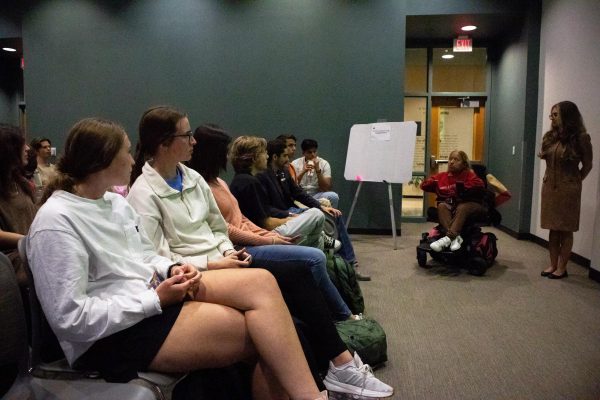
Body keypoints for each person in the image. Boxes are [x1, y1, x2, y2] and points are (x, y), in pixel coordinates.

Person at [27, 117, 328, 400]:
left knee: (262, 283)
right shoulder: (57, 220)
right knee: (265, 335)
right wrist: (155, 300)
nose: (133, 160)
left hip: (146, 301)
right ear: (103, 160)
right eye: (127, 153)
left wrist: (172, 268)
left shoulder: (114, 203)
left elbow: (144, 255)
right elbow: (71, 319)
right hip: (107, 336)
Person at [127, 108, 392, 398]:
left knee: (297, 283)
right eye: (187, 135)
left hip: (226, 258)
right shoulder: (144, 192)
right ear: (164, 143)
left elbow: (219, 227)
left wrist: (231, 251)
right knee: (290, 280)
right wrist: (215, 261)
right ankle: (334, 370)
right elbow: (158, 257)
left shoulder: (193, 178)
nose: (193, 142)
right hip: (196, 272)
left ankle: (340, 364)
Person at [189, 124, 358, 322]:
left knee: (316, 238)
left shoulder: (221, 182)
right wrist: (269, 240)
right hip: (240, 247)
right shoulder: (210, 185)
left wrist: (270, 236)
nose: (268, 156)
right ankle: (343, 315)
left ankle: (331, 307)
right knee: (315, 255)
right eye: (264, 153)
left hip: (256, 238)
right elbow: (227, 228)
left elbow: (243, 219)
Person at [259, 139, 372, 281]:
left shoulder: (284, 172)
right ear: (275, 157)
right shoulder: (262, 177)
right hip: (284, 213)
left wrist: (321, 206)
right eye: (285, 156)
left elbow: (299, 193)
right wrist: (288, 214)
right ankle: (327, 249)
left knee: (335, 215)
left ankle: (350, 264)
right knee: (320, 216)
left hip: (293, 208)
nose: (288, 159)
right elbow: (266, 208)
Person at [228, 136, 339, 251]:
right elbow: (266, 224)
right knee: (317, 215)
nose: (267, 156)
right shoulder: (249, 182)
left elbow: (297, 192)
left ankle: (319, 244)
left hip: (267, 229)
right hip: (265, 236)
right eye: (264, 153)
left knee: (324, 237)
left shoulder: (246, 180)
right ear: (254, 158)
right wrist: (297, 218)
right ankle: (319, 244)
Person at [538, 101, 593, 279]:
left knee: (565, 229)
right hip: (549, 187)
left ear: (567, 116)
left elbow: (588, 165)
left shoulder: (581, 138)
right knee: (553, 229)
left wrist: (575, 181)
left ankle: (562, 267)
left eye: (555, 114)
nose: (552, 118)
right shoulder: (550, 137)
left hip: (568, 190)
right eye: (551, 115)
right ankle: (553, 265)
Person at [420, 150, 487, 252]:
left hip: (473, 205)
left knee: (463, 206)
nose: (451, 162)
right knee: (442, 206)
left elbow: (480, 185)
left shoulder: (469, 175)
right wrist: (431, 182)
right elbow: (424, 185)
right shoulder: (442, 176)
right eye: (450, 159)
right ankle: (455, 238)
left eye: (456, 159)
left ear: (464, 164)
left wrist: (462, 187)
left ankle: (449, 237)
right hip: (453, 206)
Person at [0, 124, 38, 287]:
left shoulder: (19, 182)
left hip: (31, 251)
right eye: (22, 144)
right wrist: (30, 241)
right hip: (14, 261)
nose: (28, 148)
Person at [291, 139, 339, 208]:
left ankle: (330, 218)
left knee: (333, 196)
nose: (313, 155)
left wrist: (317, 170)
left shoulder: (324, 163)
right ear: (303, 153)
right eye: (309, 152)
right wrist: (303, 171)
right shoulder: (295, 163)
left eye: (314, 152)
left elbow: (326, 188)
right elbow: (291, 186)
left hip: (317, 194)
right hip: (300, 195)